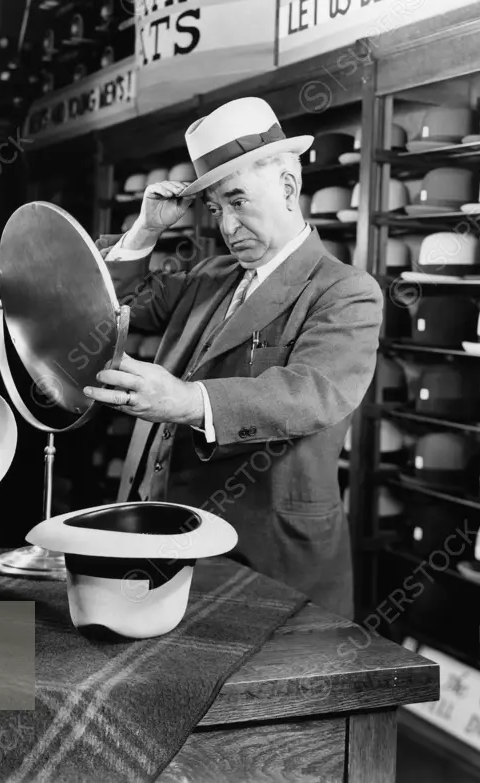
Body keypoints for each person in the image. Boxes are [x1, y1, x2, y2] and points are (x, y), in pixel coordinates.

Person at [82, 97, 383, 618]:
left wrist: (185, 400)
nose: (226, 225)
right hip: (168, 536)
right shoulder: (211, 276)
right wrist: (146, 230)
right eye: (216, 208)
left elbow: (312, 393)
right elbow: (114, 308)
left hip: (268, 558)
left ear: (288, 187)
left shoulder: (346, 290)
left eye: (238, 201)